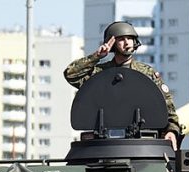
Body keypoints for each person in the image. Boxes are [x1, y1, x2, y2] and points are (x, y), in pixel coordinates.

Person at [63, 21, 182, 150]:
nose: (127, 43)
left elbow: (167, 107)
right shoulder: (100, 74)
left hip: (142, 144)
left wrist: (171, 131)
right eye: (121, 39)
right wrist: (97, 56)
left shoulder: (147, 74)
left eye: (130, 38)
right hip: (104, 145)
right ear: (112, 43)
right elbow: (70, 74)